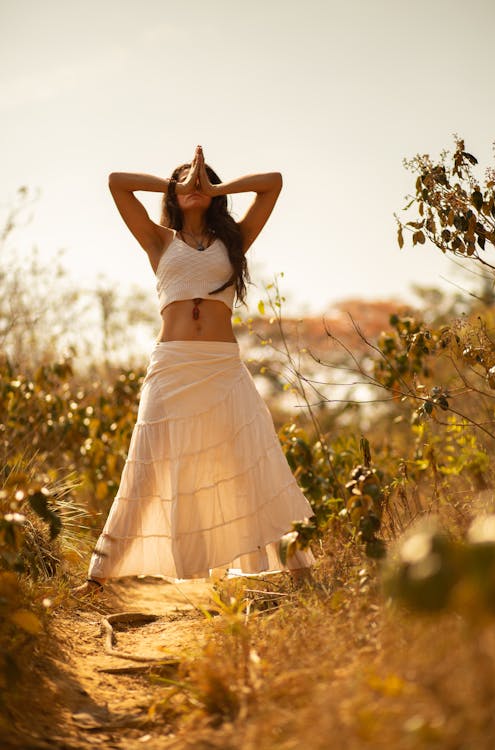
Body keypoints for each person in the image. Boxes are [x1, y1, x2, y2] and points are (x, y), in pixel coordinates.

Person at [74, 145, 314, 596]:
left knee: (254, 458)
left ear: (213, 192)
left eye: (201, 180)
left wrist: (218, 186)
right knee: (145, 468)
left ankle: (301, 570)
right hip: (172, 364)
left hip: (222, 367)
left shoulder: (234, 239)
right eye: (186, 180)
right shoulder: (159, 240)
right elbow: (116, 182)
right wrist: (175, 183)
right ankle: (98, 578)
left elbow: (274, 182)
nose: (194, 184)